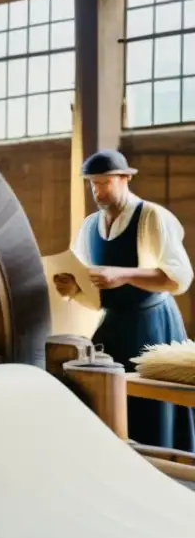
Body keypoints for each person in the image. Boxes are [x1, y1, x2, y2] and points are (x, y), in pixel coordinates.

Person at [53, 150, 194, 451]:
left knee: (151, 411)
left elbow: (179, 279)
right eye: (93, 184)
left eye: (105, 183)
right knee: (111, 402)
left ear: (125, 178)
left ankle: (164, 468)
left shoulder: (152, 217)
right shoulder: (90, 226)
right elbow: (90, 287)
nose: (98, 191)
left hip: (152, 325)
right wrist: (72, 287)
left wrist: (124, 275)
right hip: (112, 324)